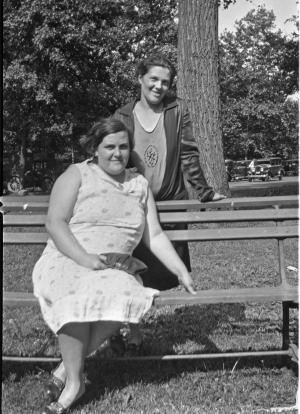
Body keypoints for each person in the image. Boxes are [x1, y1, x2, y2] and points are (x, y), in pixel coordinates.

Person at [32, 118, 195, 414]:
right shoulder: (77, 174)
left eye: (123, 146)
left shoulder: (138, 185)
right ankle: (74, 383)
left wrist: (181, 270)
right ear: (95, 149)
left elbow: (154, 235)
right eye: (109, 146)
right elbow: (54, 222)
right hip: (68, 257)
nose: (117, 153)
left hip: (116, 265)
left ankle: (65, 369)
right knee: (74, 291)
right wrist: (85, 259)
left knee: (125, 294)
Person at [112, 53, 226, 350]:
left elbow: (188, 153)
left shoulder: (177, 111)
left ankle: (129, 322)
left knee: (162, 272)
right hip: (133, 205)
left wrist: (204, 191)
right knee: (130, 268)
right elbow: (113, 159)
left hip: (170, 202)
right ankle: (131, 329)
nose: (159, 86)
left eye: (165, 81)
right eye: (153, 79)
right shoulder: (122, 116)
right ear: (140, 78)